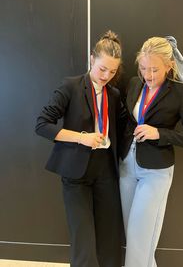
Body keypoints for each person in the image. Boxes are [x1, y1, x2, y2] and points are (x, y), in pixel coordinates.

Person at [35, 30, 124, 267]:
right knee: (83, 241)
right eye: (102, 68)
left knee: (109, 240)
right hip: (76, 174)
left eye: (113, 71)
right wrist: (81, 137)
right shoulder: (70, 86)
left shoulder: (114, 95)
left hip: (105, 172)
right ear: (91, 59)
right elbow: (42, 125)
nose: (106, 76)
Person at [119, 36, 183, 267]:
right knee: (134, 235)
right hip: (127, 166)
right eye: (143, 68)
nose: (148, 75)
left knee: (140, 234)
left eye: (154, 70)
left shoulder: (181, 93)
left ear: (169, 65)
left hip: (155, 172)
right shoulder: (135, 83)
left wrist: (160, 134)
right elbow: (128, 120)